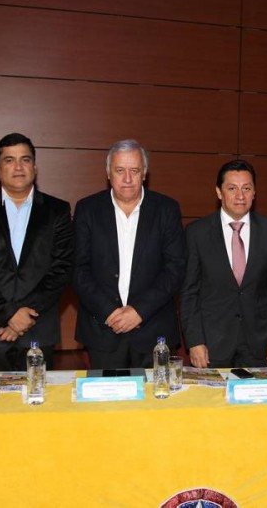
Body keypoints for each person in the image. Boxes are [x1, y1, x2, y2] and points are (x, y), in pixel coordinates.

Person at [0, 133, 74, 370]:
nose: (18, 167)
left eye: (25, 159)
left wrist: (23, 318)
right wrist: (8, 315)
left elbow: (62, 269)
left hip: (39, 331)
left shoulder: (58, 210)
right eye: (9, 160)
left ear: (35, 166)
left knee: (37, 404)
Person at [74, 139, 186, 369]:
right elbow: (77, 269)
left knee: (156, 403)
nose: (127, 178)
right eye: (119, 170)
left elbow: (175, 269)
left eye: (134, 171)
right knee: (106, 403)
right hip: (103, 331)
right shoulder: (87, 209)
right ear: (108, 173)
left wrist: (139, 311)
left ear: (144, 173)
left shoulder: (167, 209)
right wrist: (109, 312)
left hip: (154, 332)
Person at [180, 159, 267, 368]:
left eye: (246, 188)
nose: (240, 196)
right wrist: (194, 341)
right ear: (219, 192)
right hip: (212, 345)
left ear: (254, 192)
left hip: (260, 344)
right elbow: (189, 293)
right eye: (232, 188)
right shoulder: (197, 233)